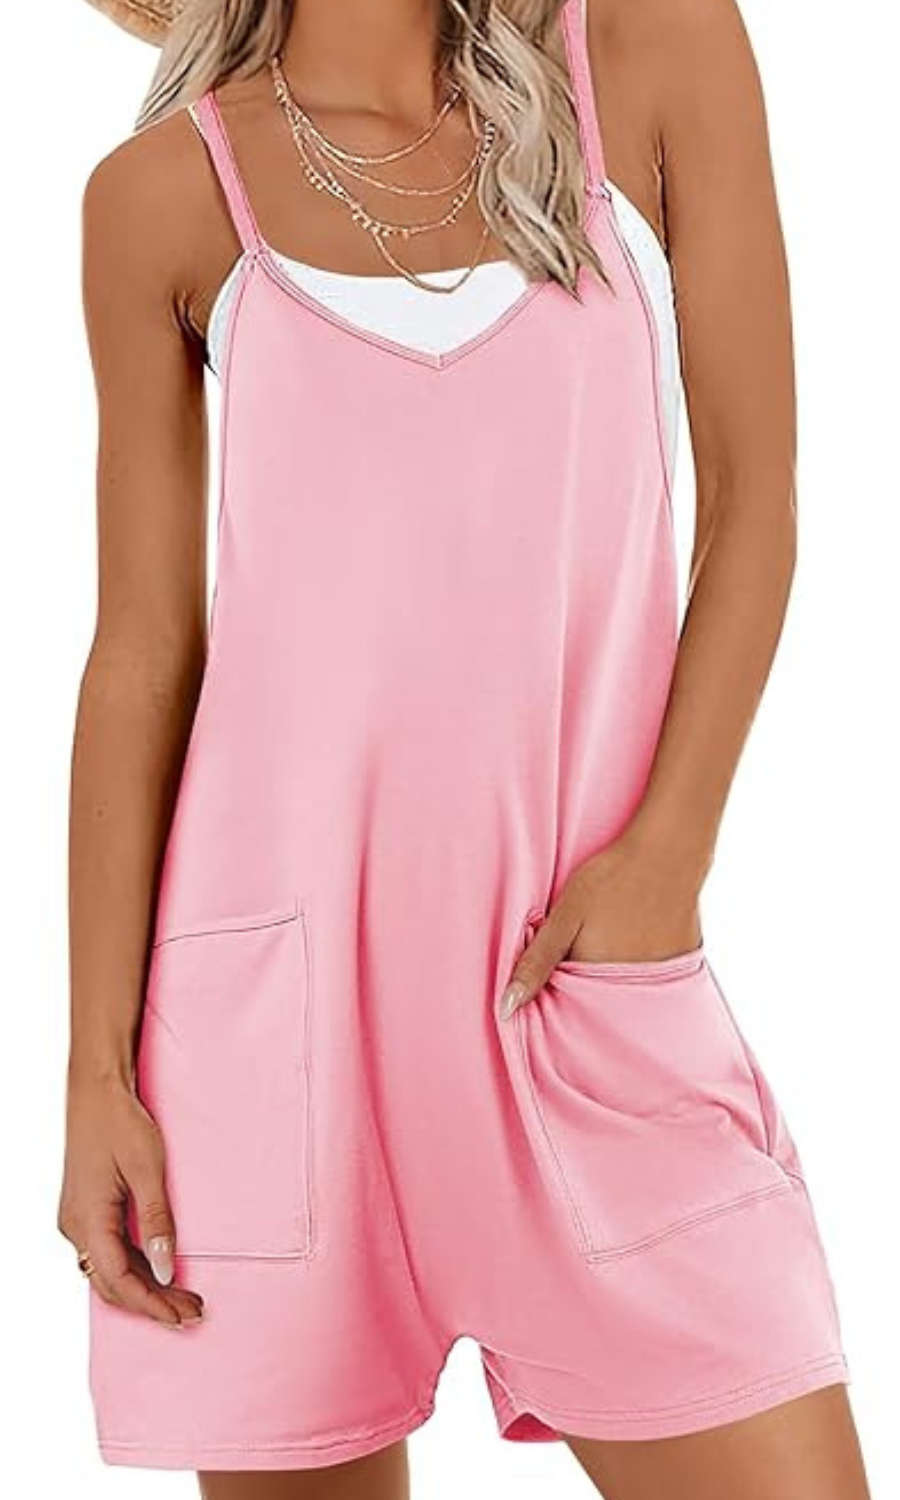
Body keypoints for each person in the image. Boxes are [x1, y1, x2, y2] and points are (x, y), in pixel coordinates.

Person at [59, 0, 871, 1495]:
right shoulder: (160, 198)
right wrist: (95, 1071)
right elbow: (141, 656)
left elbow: (759, 498)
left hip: (578, 993)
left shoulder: (649, 53)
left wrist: (665, 863)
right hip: (278, 1041)